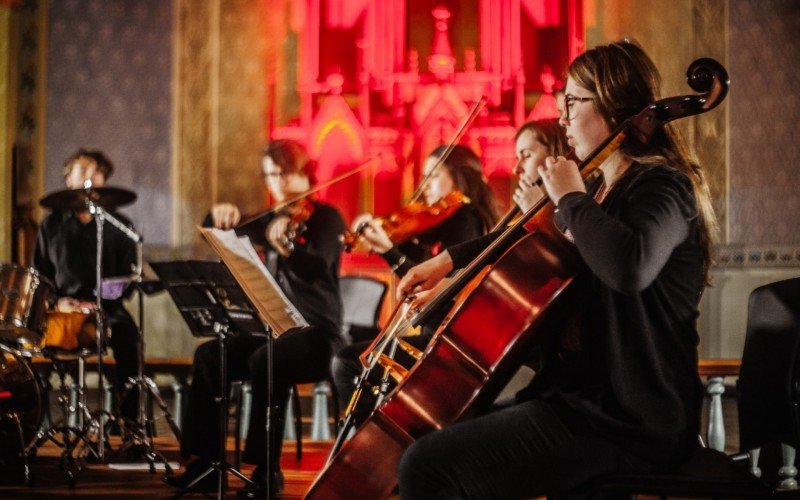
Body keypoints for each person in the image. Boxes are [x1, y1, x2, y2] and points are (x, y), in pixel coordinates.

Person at [395, 40, 718, 498]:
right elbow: (530, 239)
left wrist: (569, 199)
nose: (562, 118)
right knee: (429, 439)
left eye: (572, 102)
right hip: (579, 403)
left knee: (426, 467)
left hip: (631, 420)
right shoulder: (601, 191)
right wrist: (450, 261)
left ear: (615, 104)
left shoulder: (662, 186)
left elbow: (630, 267)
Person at [164, 139, 346, 499]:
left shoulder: (326, 218)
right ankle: (205, 464)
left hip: (319, 336)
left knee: (268, 359)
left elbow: (317, 264)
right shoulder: (270, 219)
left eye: (282, 174)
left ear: (303, 174)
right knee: (209, 355)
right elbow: (217, 231)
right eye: (268, 176)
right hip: (277, 331)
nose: (275, 184)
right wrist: (218, 215)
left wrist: (287, 248)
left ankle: (266, 473)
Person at [330, 144, 498, 427]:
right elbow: (414, 264)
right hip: (428, 332)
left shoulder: (465, 220)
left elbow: (431, 290)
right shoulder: (439, 223)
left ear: (459, 177)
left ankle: (373, 447)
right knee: (349, 360)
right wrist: (377, 235)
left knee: (348, 363)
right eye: (424, 175)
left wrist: (388, 249)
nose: (425, 184)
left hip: (440, 340)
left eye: (433, 175)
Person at [33, 149, 141, 426]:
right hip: (62, 308)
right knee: (31, 340)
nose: (90, 177)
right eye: (82, 170)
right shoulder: (51, 225)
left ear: (105, 181)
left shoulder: (120, 226)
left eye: (97, 171)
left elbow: (128, 280)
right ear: (69, 179)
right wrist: (59, 303)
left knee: (130, 338)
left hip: (107, 308)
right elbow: (40, 276)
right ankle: (35, 423)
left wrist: (102, 302)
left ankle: (126, 424)